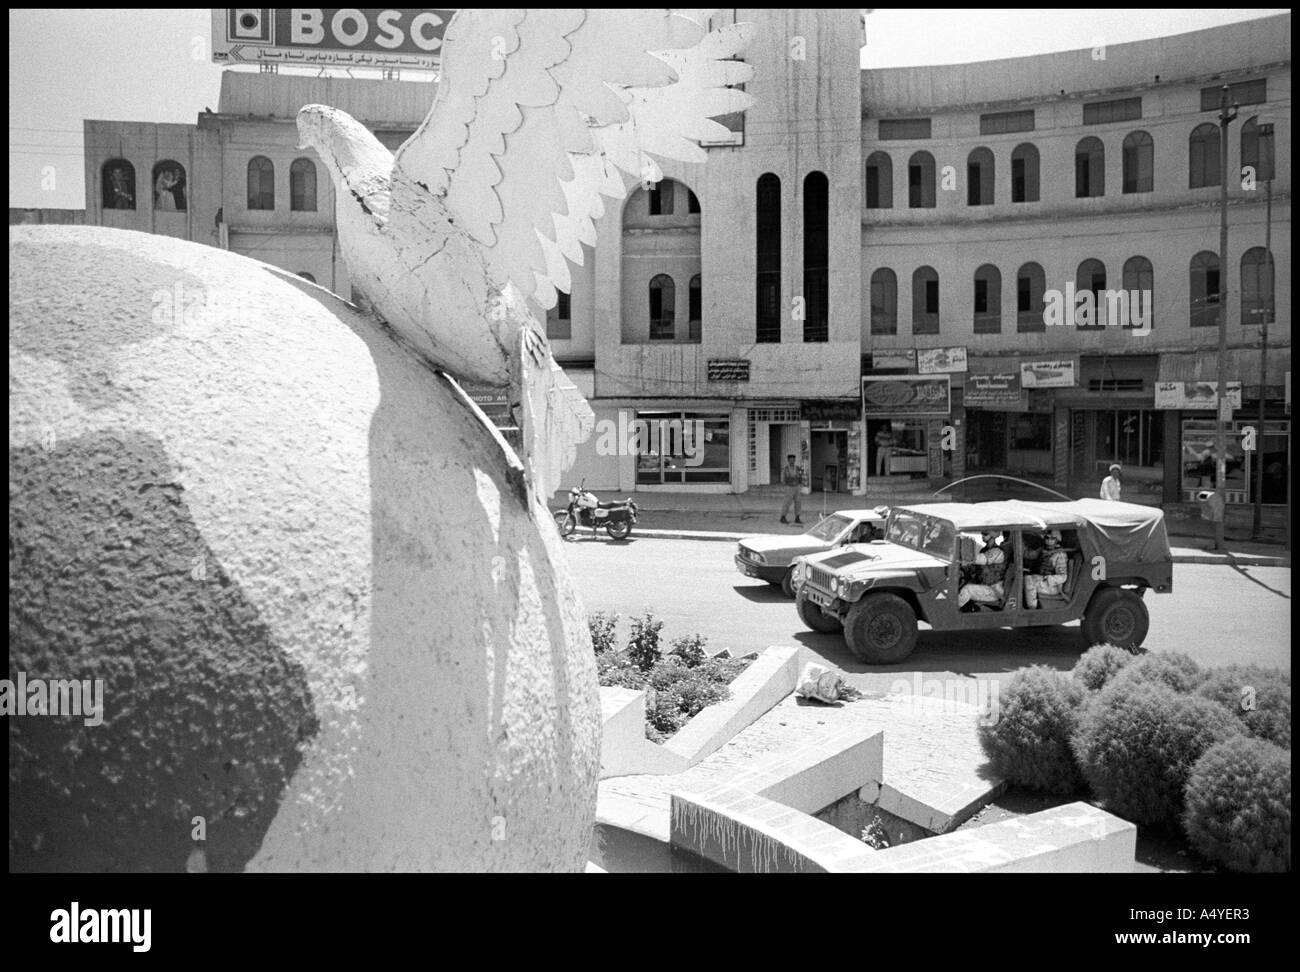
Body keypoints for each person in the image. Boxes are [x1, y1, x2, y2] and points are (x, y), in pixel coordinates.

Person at [957, 530, 1006, 609]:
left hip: (993, 590)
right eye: (982, 533)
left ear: (993, 536)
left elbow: (982, 559)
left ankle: (950, 610)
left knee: (967, 590)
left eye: (985, 534)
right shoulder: (984, 550)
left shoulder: (998, 552)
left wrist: (961, 555)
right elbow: (975, 567)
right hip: (985, 585)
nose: (982, 536)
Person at [1024, 530, 1068, 609]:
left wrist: (1047, 579)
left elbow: (1063, 576)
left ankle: (1032, 608)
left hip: (1052, 586)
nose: (1049, 541)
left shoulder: (1060, 555)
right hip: (1041, 579)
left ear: (1057, 540)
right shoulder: (1043, 550)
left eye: (1052, 539)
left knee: (1029, 580)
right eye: (1047, 538)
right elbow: (1030, 555)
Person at [779, 454, 803, 525]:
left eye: (793, 460)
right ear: (788, 461)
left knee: (798, 502)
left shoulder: (797, 468)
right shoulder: (785, 469)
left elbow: (800, 476)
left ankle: (797, 517)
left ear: (795, 460)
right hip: (789, 487)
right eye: (791, 460)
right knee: (787, 502)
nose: (792, 461)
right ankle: (783, 517)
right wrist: (786, 485)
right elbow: (783, 479)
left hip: (797, 487)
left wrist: (800, 484)